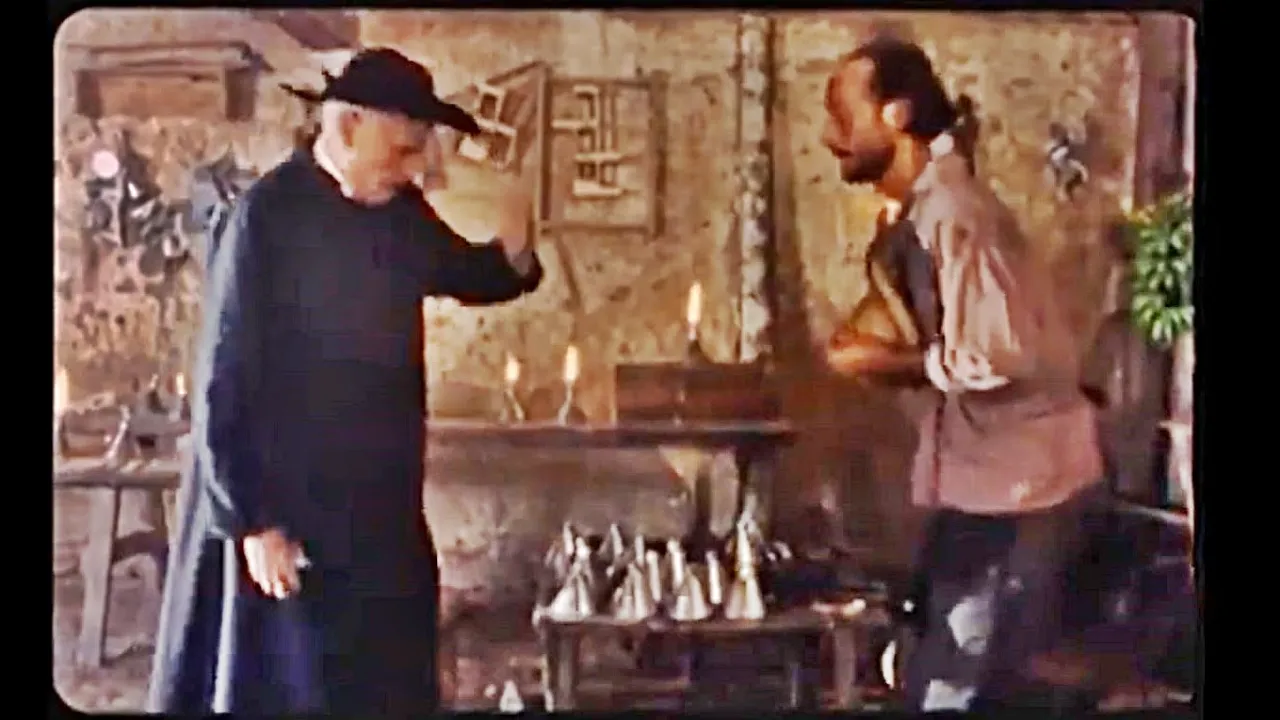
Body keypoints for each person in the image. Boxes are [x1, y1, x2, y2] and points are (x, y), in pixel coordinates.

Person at [148, 48, 544, 715]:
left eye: (420, 151)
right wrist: (254, 524)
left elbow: (477, 275)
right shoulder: (266, 217)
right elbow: (223, 380)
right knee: (293, 686)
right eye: (403, 150)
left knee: (385, 683)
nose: (416, 169)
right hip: (285, 510)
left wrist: (516, 220)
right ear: (350, 126)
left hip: (380, 508)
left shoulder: (400, 212)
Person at [820, 37, 1104, 710]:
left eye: (843, 115)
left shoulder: (956, 213)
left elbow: (996, 353)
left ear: (896, 115)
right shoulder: (927, 210)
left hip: (1019, 489)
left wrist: (882, 363)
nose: (831, 136)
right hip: (990, 483)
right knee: (940, 664)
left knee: (957, 685)